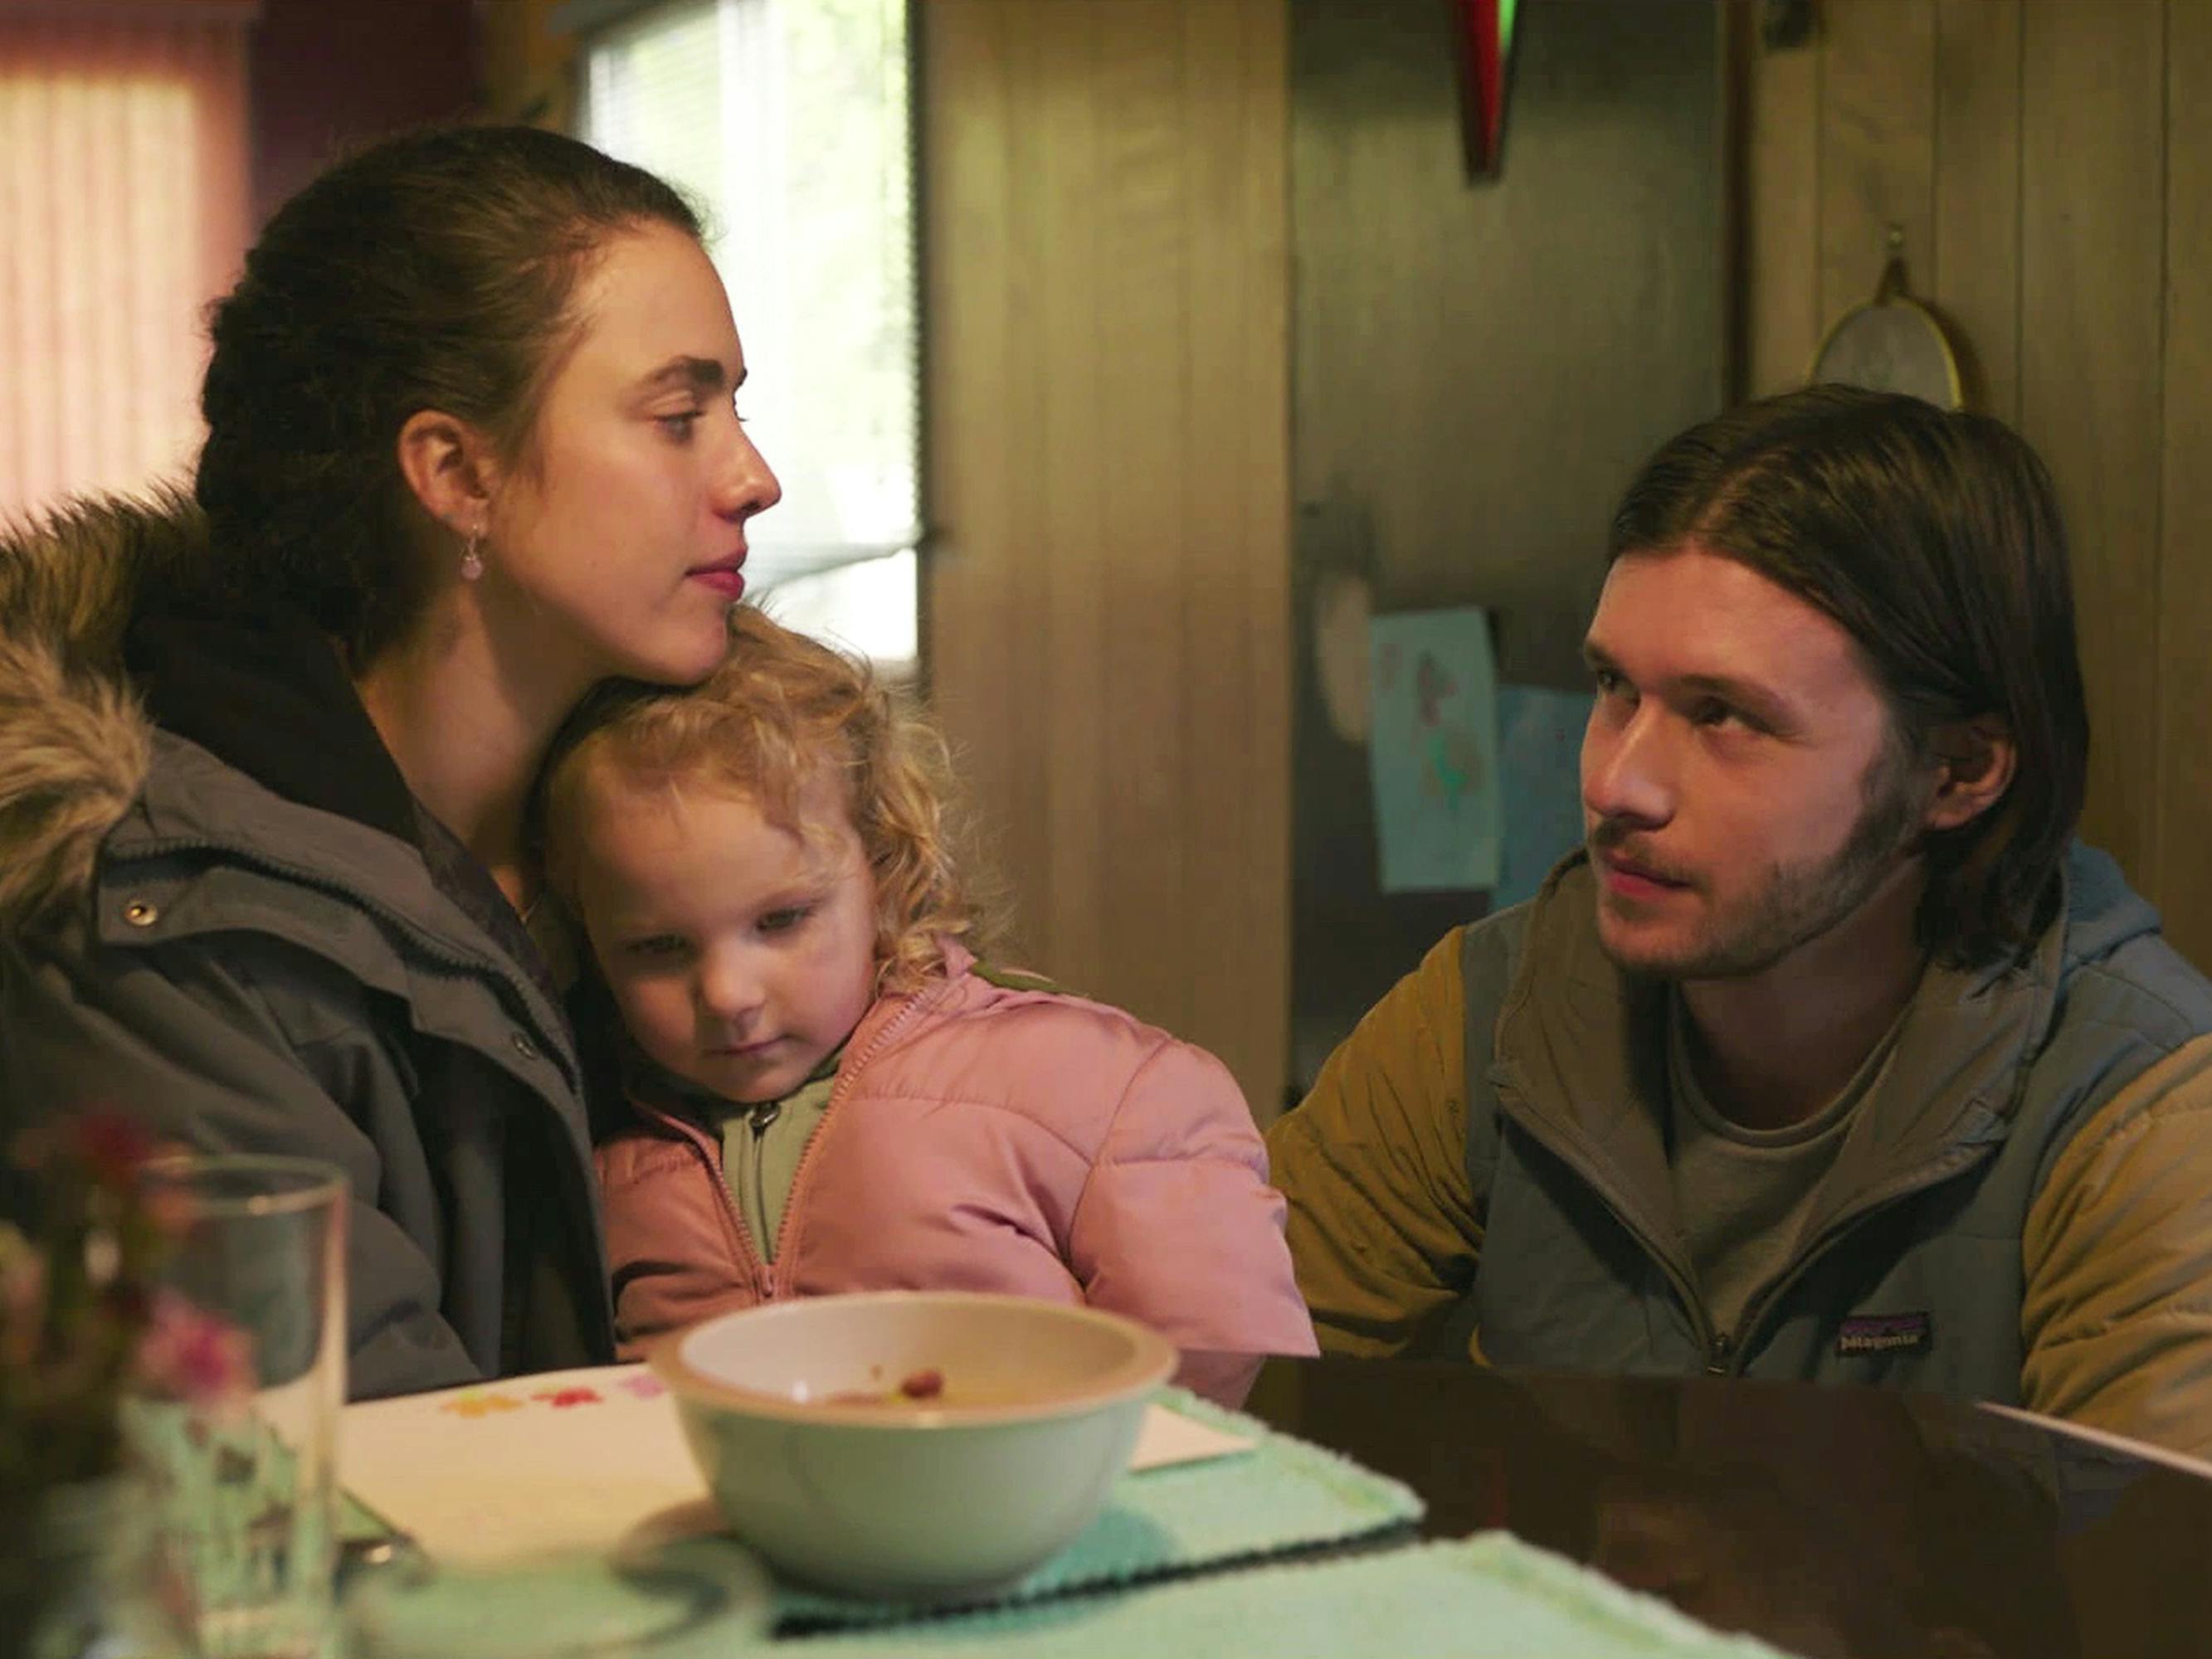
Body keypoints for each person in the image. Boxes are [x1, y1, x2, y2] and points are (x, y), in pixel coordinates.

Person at [1266, 385, 2212, 1453]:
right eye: (1614, 687)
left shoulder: (2143, 1114)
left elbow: (2162, 1586)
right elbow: (1202, 1407)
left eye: (1723, 715)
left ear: (1955, 771)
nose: (1617, 784)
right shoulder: (1495, 1009)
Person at [0, 125, 782, 1399]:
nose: (754, 478)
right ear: (455, 472)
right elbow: (351, 1464)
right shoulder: (147, 915)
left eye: (740, 413)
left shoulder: (708, 800)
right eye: (680, 417)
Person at [534, 605, 1316, 1400]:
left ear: (885, 868)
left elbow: (1217, 1370)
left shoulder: (1084, 1084)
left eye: (782, 920)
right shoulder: (594, 1150)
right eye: (658, 948)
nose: (728, 996)